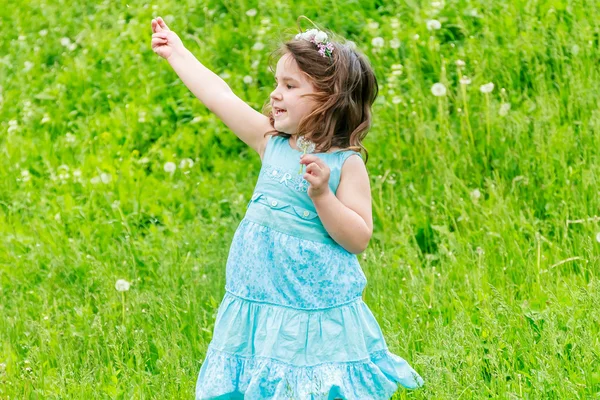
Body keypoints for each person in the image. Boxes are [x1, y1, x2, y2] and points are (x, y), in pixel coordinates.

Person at [151, 15, 424, 399]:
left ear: (329, 99)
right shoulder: (272, 142)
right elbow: (220, 97)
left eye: (290, 86)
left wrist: (323, 197)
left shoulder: (346, 164)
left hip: (310, 307)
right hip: (259, 298)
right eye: (277, 83)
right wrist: (177, 53)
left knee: (305, 382)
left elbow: (358, 237)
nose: (275, 94)